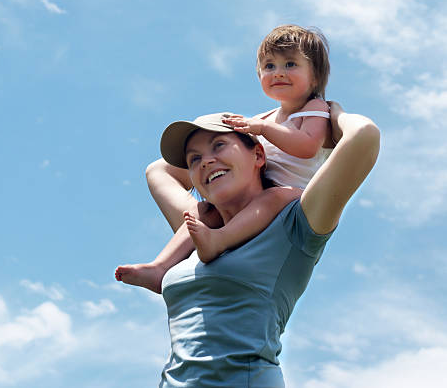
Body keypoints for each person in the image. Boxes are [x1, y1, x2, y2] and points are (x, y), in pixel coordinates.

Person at [156, 104, 379, 386]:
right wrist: (247, 134)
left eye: (219, 145)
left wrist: (326, 114)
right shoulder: (196, 230)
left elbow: (364, 136)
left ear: (259, 154)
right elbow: (158, 170)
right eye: (194, 159)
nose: (205, 162)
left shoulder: (294, 222)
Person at [115, 25, 333, 292]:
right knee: (207, 210)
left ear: (315, 77)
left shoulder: (315, 108)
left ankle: (219, 240)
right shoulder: (263, 118)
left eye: (290, 64)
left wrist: (262, 130)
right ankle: (160, 267)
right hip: (255, 195)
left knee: (273, 197)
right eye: (268, 66)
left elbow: (308, 147)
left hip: (289, 199)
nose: (278, 73)